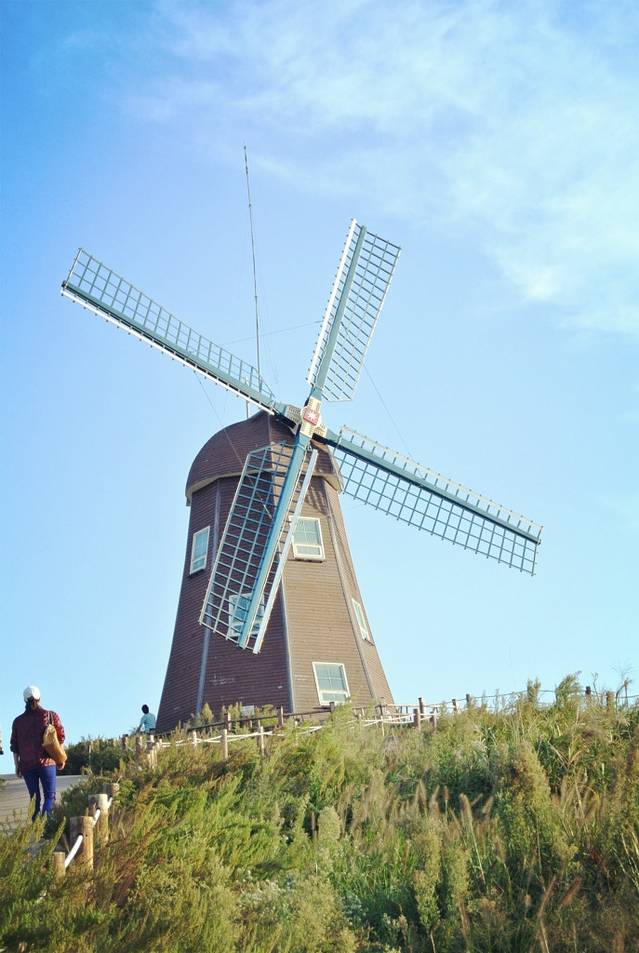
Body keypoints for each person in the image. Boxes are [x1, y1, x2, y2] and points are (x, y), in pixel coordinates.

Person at [10, 685, 65, 820]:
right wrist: (60, 757)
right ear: (39, 698)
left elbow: (14, 746)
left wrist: (17, 765)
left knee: (34, 798)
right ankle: (46, 824)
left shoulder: (18, 721)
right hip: (47, 763)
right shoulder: (51, 715)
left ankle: (35, 827)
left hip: (27, 765)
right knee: (49, 796)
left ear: (24, 700)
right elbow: (60, 737)